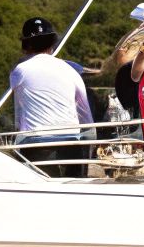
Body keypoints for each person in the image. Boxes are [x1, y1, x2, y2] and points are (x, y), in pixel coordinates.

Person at [9, 17, 92, 177]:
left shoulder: (19, 71)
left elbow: (19, 112)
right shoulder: (70, 70)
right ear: (52, 44)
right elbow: (85, 115)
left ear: (26, 45)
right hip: (71, 146)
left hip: (36, 146)